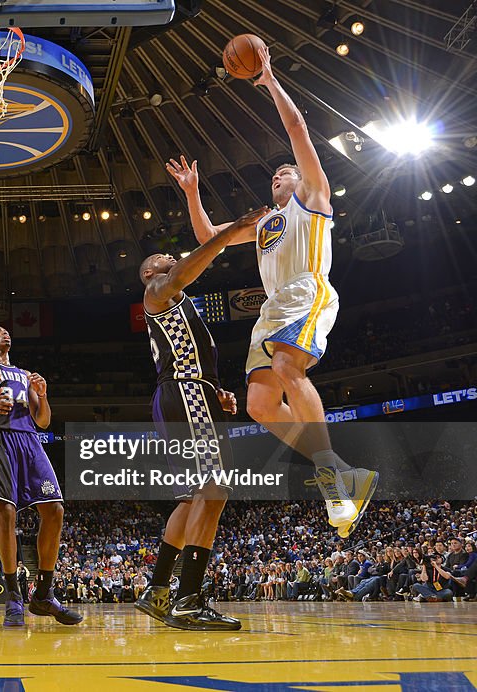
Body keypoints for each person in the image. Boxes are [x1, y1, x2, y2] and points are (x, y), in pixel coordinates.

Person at [166, 43, 377, 539]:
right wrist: (194, 195)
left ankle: (331, 477)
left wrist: (267, 80)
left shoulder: (313, 196)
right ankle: (342, 471)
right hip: (271, 307)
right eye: (276, 173)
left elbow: (298, 130)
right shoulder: (264, 222)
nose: (279, 174)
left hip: (308, 290)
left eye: (285, 170)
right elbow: (207, 240)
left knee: (287, 365)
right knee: (260, 405)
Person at [134, 207, 266, 631]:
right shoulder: (157, 288)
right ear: (151, 272)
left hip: (191, 393)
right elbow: (178, 274)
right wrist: (228, 235)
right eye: (164, 259)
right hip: (183, 393)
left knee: (192, 497)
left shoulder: (179, 303)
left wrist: (214, 390)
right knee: (214, 489)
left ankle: (157, 591)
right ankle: (189, 598)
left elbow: (192, 357)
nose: (173, 259)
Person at [0, 325, 82, 627]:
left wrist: (44, 395)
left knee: (55, 509)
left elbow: (44, 421)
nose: (5, 333)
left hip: (29, 439)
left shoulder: (25, 374)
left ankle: (44, 594)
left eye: (7, 331)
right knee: (5, 512)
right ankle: (13, 596)